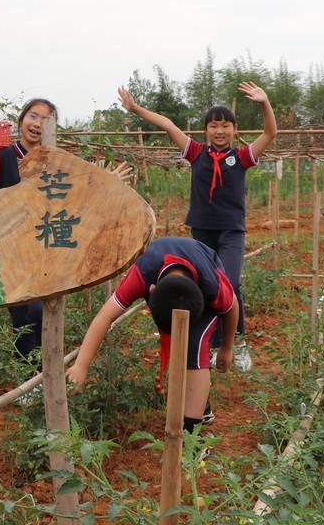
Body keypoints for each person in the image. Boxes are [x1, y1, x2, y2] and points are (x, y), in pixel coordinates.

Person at [117, 82, 277, 371]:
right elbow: (167, 124)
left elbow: (270, 133)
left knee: (231, 282)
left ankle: (236, 343)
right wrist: (134, 108)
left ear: (234, 130)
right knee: (204, 284)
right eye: (214, 126)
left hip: (231, 231)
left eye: (226, 125)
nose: (220, 131)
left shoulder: (240, 158)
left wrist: (264, 103)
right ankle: (210, 343)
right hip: (200, 232)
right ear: (206, 130)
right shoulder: (195, 153)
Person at [67, 237, 238, 431]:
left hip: (202, 286)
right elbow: (104, 317)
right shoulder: (142, 273)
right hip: (172, 282)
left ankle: (192, 436)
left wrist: (226, 348)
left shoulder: (213, 286)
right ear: (151, 290)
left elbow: (232, 307)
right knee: (177, 349)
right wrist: (81, 365)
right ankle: (200, 402)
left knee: (195, 346)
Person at [0, 98, 58, 365]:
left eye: (45, 119)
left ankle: (42, 370)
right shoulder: (3, 155)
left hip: (44, 245)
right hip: (10, 248)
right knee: (22, 314)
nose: (37, 124)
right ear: (21, 120)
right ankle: (27, 374)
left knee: (42, 310)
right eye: (32, 116)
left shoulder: (51, 160)